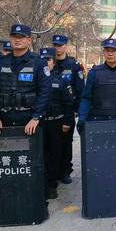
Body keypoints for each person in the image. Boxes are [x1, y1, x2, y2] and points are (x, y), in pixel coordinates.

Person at [77, 38, 116, 136]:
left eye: (114, 50)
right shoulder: (94, 73)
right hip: (98, 123)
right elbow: (86, 98)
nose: (110, 54)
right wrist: (82, 118)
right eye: (107, 50)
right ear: (103, 52)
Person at [40, 47, 74, 199]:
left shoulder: (61, 80)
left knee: (55, 155)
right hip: (39, 124)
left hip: (56, 124)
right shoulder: (35, 80)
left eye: (48, 59)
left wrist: (67, 121)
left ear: (53, 62)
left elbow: (68, 103)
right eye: (42, 59)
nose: (45, 62)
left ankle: (52, 185)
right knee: (40, 155)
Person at [52, 34, 85, 185]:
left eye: (60, 45)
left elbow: (79, 89)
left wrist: (76, 110)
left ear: (65, 46)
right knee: (50, 144)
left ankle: (65, 170)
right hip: (50, 111)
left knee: (66, 142)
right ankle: (52, 171)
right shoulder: (46, 63)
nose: (57, 48)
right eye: (55, 45)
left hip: (67, 110)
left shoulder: (73, 65)